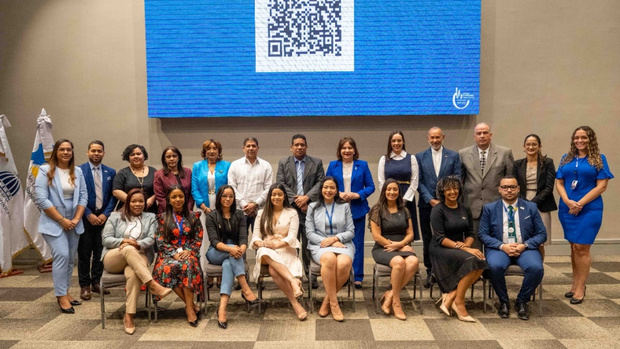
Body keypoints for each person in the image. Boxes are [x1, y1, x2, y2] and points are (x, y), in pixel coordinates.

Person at [101, 188, 172, 335]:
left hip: (140, 256)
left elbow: (152, 238)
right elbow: (106, 239)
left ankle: (129, 316)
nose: (137, 204)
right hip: (115, 258)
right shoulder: (115, 216)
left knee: (134, 274)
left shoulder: (150, 217)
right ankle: (152, 284)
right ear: (127, 202)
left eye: (141, 201)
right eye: (134, 201)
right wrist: (125, 241)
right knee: (127, 249)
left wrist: (137, 244)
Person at [556, 126, 613, 304]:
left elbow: (601, 186)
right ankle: (575, 283)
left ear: (591, 139)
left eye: (584, 137)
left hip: (589, 209)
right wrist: (567, 201)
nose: (580, 141)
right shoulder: (566, 159)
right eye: (576, 138)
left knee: (582, 247)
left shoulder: (599, 159)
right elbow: (559, 182)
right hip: (567, 208)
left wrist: (580, 203)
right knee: (573, 247)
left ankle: (581, 287)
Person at [479, 176, 546, 320]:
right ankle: (504, 302)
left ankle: (522, 301)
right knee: (494, 266)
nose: (509, 190)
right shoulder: (489, 209)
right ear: (499, 189)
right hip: (500, 248)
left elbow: (542, 234)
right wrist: (502, 246)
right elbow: (483, 234)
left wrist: (525, 245)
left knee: (536, 268)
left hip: (525, 248)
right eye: (505, 187)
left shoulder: (531, 207)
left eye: (512, 187)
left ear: (518, 189)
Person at [33, 139, 88, 314]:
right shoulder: (45, 170)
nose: (66, 152)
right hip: (54, 223)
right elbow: (41, 198)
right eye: (62, 149)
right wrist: (61, 220)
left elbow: (83, 196)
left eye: (69, 149)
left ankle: (65, 291)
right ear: (56, 152)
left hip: (73, 223)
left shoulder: (77, 171)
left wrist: (77, 218)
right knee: (62, 256)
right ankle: (60, 296)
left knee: (71, 259)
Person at [430, 176, 486, 322]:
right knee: (472, 259)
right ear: (442, 191)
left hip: (460, 247)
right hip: (441, 248)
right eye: (448, 189)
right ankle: (459, 303)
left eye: (455, 188)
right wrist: (464, 249)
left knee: (480, 259)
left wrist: (466, 246)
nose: (452, 192)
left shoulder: (464, 208)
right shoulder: (438, 210)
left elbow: (471, 233)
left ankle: (452, 297)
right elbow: (440, 238)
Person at [250, 183, 307, 320]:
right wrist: (262, 243)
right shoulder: (261, 213)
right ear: (269, 196)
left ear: (284, 196)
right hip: (267, 251)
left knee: (273, 271)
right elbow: (256, 236)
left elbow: (292, 237)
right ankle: (293, 282)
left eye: (279, 194)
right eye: (273, 194)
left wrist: (276, 245)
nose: (276, 197)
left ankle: (295, 304)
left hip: (285, 248)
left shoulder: (292, 213)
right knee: (263, 251)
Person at [205, 185, 258, 329]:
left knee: (229, 264)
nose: (228, 199)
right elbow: (214, 242)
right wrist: (232, 249)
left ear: (234, 199)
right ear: (219, 198)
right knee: (232, 256)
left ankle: (222, 308)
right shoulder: (211, 216)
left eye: (231, 196)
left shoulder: (240, 215)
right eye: (224, 196)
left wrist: (240, 249)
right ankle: (245, 288)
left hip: (234, 254)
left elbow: (243, 239)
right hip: (215, 252)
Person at [415, 127, 462, 288]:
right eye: (432, 137)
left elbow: (457, 178)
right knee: (428, 238)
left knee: (446, 237)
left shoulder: (454, 156)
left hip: (448, 205)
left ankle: (446, 271)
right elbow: (418, 181)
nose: (435, 140)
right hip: (426, 205)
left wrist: (443, 199)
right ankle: (430, 271)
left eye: (438, 137)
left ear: (443, 137)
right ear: (428, 138)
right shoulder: (420, 157)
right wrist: (430, 199)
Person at [326, 137, 374, 289]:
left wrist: (357, 195)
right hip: (337, 210)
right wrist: (337, 193)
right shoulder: (333, 165)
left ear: (354, 150)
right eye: (344, 148)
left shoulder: (363, 165)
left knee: (357, 243)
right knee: (340, 243)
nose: (347, 151)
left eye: (350, 148)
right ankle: (342, 274)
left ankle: (358, 276)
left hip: (357, 210)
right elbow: (326, 185)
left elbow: (371, 187)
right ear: (340, 151)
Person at [152, 185, 204, 326]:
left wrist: (189, 251)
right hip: (168, 255)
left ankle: (189, 310)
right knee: (167, 268)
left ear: (185, 198)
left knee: (187, 266)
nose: (178, 199)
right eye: (174, 197)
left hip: (188, 253)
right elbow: (160, 241)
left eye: (180, 196)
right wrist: (174, 254)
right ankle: (190, 305)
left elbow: (198, 238)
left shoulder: (194, 216)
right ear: (169, 200)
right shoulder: (162, 218)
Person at [276, 134, 324, 286]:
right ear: (291, 147)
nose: (299, 147)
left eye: (302, 144)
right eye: (296, 145)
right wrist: (297, 199)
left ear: (306, 146)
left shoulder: (316, 163)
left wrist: (307, 198)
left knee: (308, 243)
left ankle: (311, 276)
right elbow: (281, 183)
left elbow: (321, 182)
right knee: (291, 244)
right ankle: (293, 275)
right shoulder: (284, 162)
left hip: (310, 209)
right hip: (290, 209)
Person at [305, 177, 354, 321]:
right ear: (321, 189)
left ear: (337, 190)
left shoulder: (344, 206)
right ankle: (334, 304)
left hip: (342, 243)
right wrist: (328, 242)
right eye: (325, 187)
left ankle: (327, 300)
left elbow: (351, 231)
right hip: (319, 244)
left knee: (344, 263)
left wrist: (335, 239)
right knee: (329, 258)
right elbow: (309, 233)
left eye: (332, 187)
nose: (328, 190)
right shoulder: (312, 207)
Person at [369, 179, 419, 320]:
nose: (392, 192)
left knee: (414, 262)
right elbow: (377, 236)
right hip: (383, 248)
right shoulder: (377, 210)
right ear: (384, 191)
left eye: (395, 190)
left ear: (399, 192)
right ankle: (397, 303)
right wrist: (397, 245)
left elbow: (410, 234)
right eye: (389, 189)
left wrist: (400, 244)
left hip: (401, 245)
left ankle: (390, 294)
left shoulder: (404, 210)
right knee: (398, 262)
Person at [459, 123, 514, 247]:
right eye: (479, 133)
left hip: (497, 206)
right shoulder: (463, 154)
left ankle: (492, 266)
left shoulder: (505, 153)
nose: (482, 136)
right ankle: (478, 267)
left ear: (490, 135)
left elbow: (510, 180)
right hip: (472, 206)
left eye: (485, 133)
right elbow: (460, 181)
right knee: (475, 245)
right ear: (474, 136)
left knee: (495, 244)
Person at [77, 140, 117, 301]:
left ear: (103, 153)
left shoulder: (110, 172)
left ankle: (96, 282)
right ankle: (84, 285)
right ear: (88, 152)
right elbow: (77, 195)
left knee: (101, 252)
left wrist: (105, 214)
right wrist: (88, 214)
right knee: (85, 253)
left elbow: (113, 197)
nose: (96, 154)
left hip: (103, 218)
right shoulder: (79, 170)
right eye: (93, 151)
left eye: (99, 151)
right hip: (86, 217)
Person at [514, 134, 557, 257]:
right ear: (524, 147)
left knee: (539, 242)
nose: (531, 147)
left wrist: (533, 203)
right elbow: (514, 185)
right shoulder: (517, 164)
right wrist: (525, 202)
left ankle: (539, 271)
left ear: (539, 146)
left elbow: (549, 187)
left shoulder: (548, 162)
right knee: (523, 238)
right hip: (521, 203)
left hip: (542, 204)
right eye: (528, 144)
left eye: (534, 144)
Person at [377, 131, 420, 241]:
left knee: (408, 226)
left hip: (407, 197)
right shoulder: (384, 159)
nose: (396, 143)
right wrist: (388, 198)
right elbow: (381, 181)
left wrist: (404, 199)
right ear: (390, 143)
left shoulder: (411, 158)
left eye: (399, 140)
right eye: (394, 141)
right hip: (389, 197)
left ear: (403, 142)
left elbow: (414, 181)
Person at [228, 137, 272, 231]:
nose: (251, 148)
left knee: (259, 240)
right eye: (248, 146)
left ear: (258, 148)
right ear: (243, 148)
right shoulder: (235, 165)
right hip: (240, 210)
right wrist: (244, 205)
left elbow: (268, 188)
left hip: (260, 210)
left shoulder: (266, 166)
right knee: (240, 241)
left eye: (253, 146)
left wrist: (255, 204)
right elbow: (232, 187)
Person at [113, 144, 157, 213]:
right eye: (132, 154)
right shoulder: (122, 173)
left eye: (138, 154)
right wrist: (132, 202)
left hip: (150, 209)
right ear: (128, 157)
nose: (136, 156)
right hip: (127, 211)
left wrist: (152, 199)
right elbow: (116, 191)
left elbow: (160, 189)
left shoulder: (153, 171)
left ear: (144, 156)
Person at [192, 139, 231, 215]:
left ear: (219, 151)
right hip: (202, 206)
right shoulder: (197, 166)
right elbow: (195, 189)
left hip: (222, 205)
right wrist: (203, 207)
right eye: (208, 148)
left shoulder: (227, 165)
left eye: (215, 148)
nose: (212, 151)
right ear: (204, 152)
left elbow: (230, 186)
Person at [153, 146, 193, 214]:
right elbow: (160, 197)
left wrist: (187, 209)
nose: (171, 159)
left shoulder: (188, 172)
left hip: (187, 212)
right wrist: (174, 211)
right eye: (168, 157)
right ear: (164, 159)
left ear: (178, 157)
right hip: (167, 213)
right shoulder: (159, 175)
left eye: (174, 156)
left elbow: (191, 194)